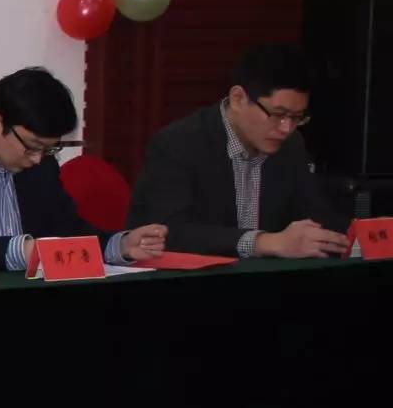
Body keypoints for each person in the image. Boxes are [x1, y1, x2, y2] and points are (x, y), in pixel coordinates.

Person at [0, 67, 167, 270]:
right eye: (32, 146)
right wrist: (21, 251)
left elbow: (68, 230)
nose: (38, 159)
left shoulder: (42, 165)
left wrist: (120, 245)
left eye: (49, 149)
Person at [128, 43, 349, 259]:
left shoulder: (291, 145)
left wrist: (346, 238)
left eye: (296, 117)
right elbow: (168, 233)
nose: (286, 128)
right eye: (277, 114)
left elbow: (317, 215)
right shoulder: (178, 143)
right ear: (238, 98)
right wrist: (264, 242)